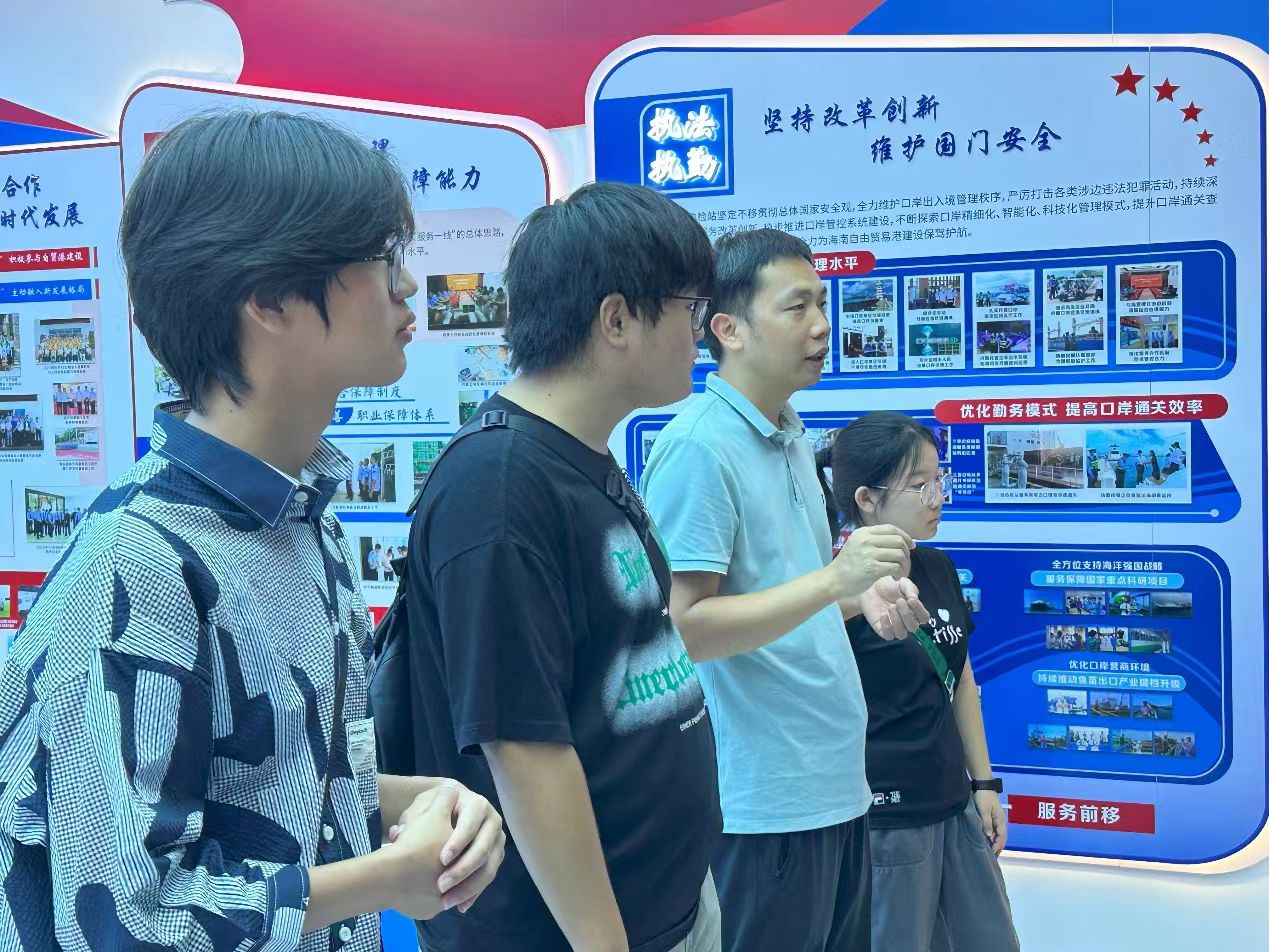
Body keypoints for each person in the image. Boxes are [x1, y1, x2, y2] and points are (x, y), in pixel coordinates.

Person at [0, 111, 506, 951]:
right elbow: (125, 917)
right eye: (383, 257)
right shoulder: (138, 560)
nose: (408, 287)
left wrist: (419, 797)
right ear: (269, 298)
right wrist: (386, 879)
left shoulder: (305, 515)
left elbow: (279, 784)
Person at [400, 181, 722, 952]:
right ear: (617, 319)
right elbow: (522, 747)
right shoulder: (499, 487)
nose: (701, 335)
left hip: (665, 907)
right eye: (690, 310)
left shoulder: (575, 456)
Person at [643, 229, 924, 952]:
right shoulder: (699, 448)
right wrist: (834, 579)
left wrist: (857, 599)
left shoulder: (792, 434)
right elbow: (683, 628)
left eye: (821, 304)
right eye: (797, 307)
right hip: (763, 807)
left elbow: (785, 597)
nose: (822, 325)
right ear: (727, 329)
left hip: (833, 785)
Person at [827, 411, 1020, 952]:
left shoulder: (936, 566)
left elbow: (961, 681)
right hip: (887, 817)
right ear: (867, 499)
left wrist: (983, 785)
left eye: (940, 480)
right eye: (920, 486)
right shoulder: (833, 590)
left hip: (954, 803)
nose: (938, 498)